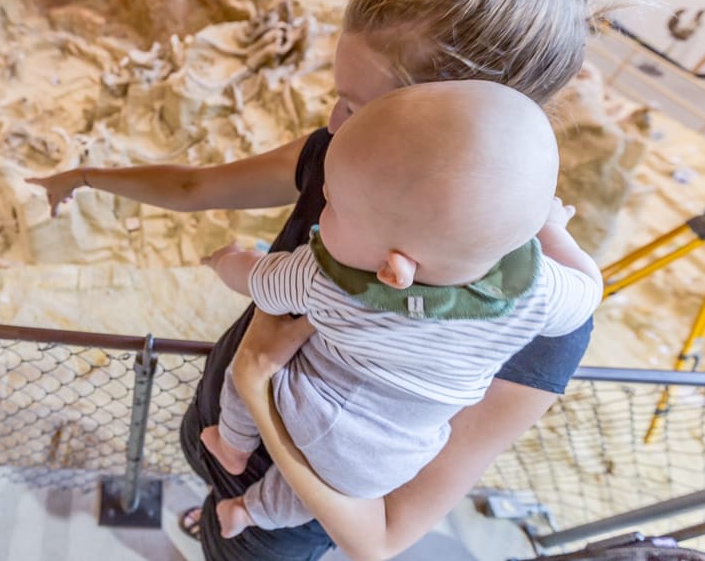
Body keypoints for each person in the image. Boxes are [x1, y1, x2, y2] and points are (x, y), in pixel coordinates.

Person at [26, 0, 614, 558]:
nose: (333, 128)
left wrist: (254, 383)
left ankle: (223, 524)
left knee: (232, 542)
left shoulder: (545, 325)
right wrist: (84, 175)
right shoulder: (344, 161)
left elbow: (382, 535)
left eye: (359, 109)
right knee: (214, 499)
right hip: (224, 434)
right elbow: (195, 185)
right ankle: (214, 509)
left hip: (282, 516)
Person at [199, 80, 602, 539]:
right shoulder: (538, 295)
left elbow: (258, 282)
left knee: (242, 375)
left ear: (395, 270)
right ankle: (250, 514)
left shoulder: (329, 280)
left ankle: (232, 443)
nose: (323, 207)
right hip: (390, 464)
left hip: (305, 409)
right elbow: (590, 288)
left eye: (334, 204)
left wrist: (223, 260)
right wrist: (553, 231)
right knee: (312, 492)